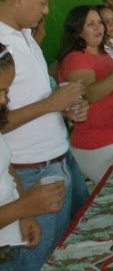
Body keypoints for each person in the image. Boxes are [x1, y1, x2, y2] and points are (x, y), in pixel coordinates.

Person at [0, 0, 89, 271]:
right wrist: (51, 104)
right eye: (44, 3)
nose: (47, 11)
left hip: (60, 158)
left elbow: (35, 102)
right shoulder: (1, 46)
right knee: (41, 259)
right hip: (28, 173)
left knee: (79, 244)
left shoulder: (26, 34)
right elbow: (2, 121)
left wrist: (64, 107)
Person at [58, 6, 113, 185]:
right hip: (97, 145)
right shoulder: (76, 58)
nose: (99, 28)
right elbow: (91, 94)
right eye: (91, 24)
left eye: (100, 23)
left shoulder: (101, 53)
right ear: (77, 30)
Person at [0, 43, 66, 270]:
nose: (3, 101)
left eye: (6, 92)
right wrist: (23, 207)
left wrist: (24, 214)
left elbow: (6, 169)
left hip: (10, 239)